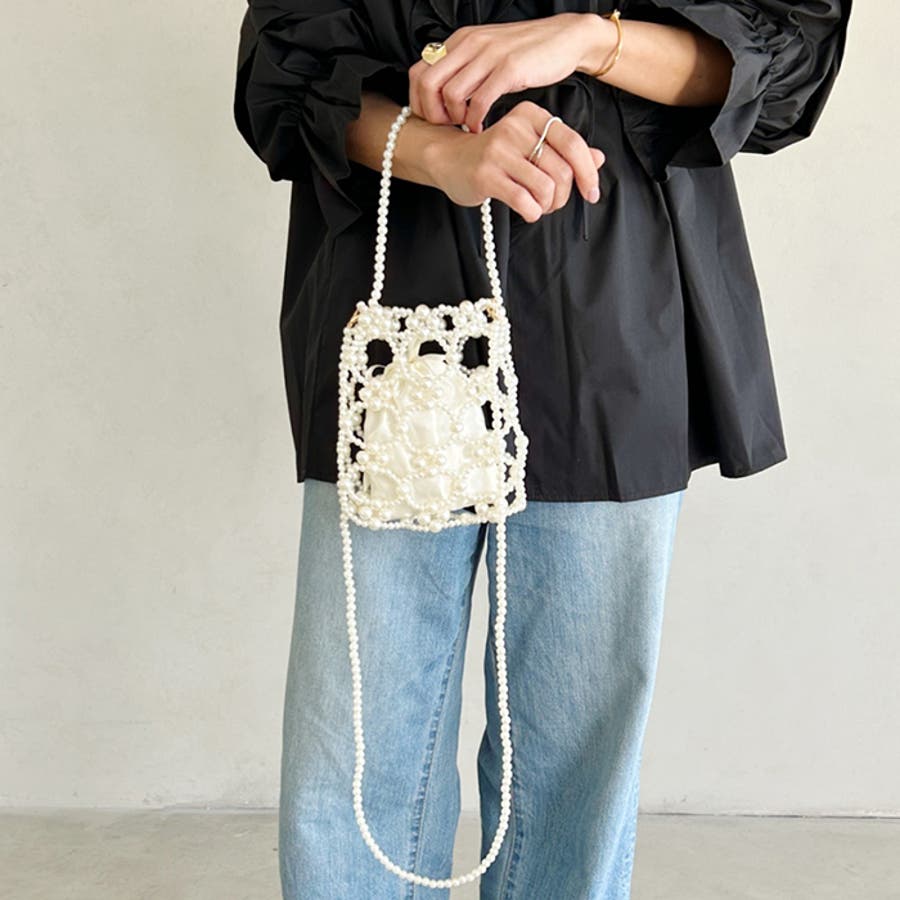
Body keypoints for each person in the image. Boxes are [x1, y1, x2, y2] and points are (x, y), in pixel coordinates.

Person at [232, 1, 851, 896]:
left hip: (615, 326)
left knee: (575, 759)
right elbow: (283, 67)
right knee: (358, 745)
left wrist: (591, 39)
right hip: (400, 338)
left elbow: (785, 63)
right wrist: (440, 153)